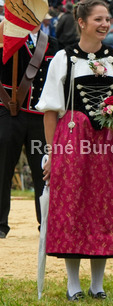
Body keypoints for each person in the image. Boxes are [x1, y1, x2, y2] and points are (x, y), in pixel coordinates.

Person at [37, 0, 113, 300]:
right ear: (82, 22)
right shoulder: (63, 58)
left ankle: (97, 285)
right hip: (73, 140)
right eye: (98, 19)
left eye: (107, 19)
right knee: (73, 205)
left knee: (105, 206)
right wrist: (51, 153)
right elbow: (50, 111)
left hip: (110, 143)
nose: (105, 24)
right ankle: (73, 284)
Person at [0, 19, 61, 239]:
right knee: (3, 168)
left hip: (41, 116)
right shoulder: (7, 37)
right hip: (9, 109)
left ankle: (46, 223)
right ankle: (0, 224)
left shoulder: (53, 43)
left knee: (43, 170)